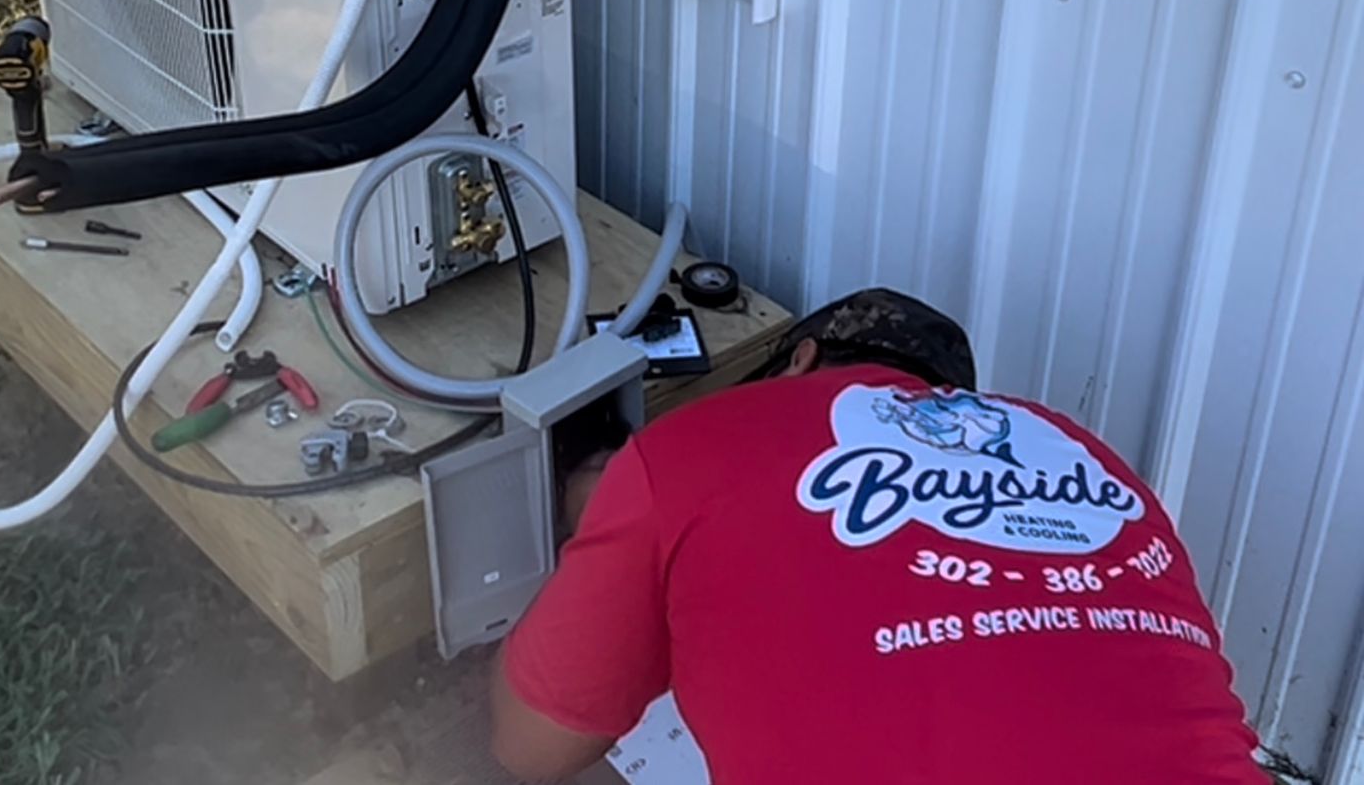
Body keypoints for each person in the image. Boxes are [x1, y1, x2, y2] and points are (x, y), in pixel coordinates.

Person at [490, 288, 1267, 784]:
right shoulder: (1083, 452)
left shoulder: (704, 442)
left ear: (800, 360)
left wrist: (608, 527)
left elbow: (529, 747)